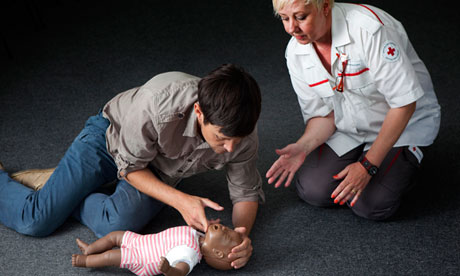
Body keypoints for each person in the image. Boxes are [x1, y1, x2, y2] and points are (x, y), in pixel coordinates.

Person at [0, 64, 263, 269]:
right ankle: (45, 187)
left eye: (236, 140)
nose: (230, 148)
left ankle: (65, 187)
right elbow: (129, 167)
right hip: (108, 140)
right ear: (199, 112)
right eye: (222, 138)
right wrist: (181, 201)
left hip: (160, 170)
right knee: (36, 219)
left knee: (114, 226)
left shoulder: (243, 132)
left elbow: (245, 193)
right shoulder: (157, 103)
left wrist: (241, 236)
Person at [266, 0, 440, 220]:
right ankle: (372, 165)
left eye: (301, 17)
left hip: (403, 124)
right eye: (284, 18)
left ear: (326, 7)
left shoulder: (369, 30)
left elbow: (404, 104)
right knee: (312, 190)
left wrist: (367, 165)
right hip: (352, 126)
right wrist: (303, 146)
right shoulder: (295, 52)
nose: (292, 28)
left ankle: (408, 162)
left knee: (370, 204)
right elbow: (324, 115)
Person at [72, 223, 242, 276]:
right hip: (142, 241)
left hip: (143, 258)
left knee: (111, 256)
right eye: (226, 227)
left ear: (218, 253)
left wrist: (168, 269)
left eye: (225, 234)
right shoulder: (197, 235)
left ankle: (86, 261)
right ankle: (90, 249)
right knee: (114, 236)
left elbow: (180, 272)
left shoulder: (190, 254)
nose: (223, 228)